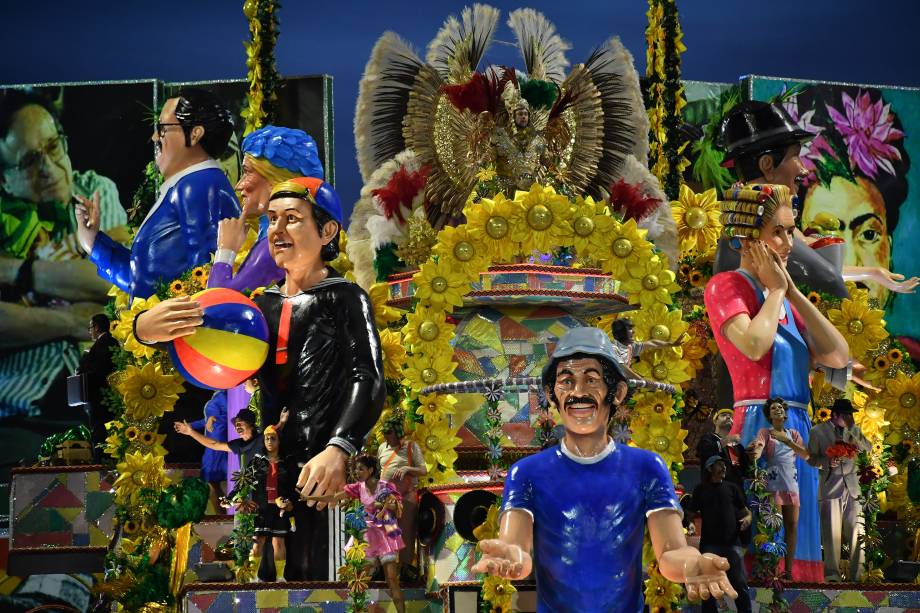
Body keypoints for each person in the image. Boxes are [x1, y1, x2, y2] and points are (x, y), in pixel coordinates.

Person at [472, 327, 736, 612]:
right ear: (551, 393)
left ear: (617, 392)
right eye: (566, 381)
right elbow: (517, 550)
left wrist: (692, 563)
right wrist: (510, 556)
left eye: (591, 379)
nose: (578, 392)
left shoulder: (647, 467)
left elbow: (671, 552)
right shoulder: (526, 474)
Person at [704, 183, 850, 581]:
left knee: (798, 541)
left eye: (790, 231)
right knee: (765, 538)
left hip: (797, 430)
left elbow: (839, 356)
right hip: (759, 427)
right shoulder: (726, 287)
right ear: (747, 239)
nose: (788, 243)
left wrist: (793, 293)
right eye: (777, 232)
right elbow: (754, 345)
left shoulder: (784, 299)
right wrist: (776, 292)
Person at [257, 177, 385, 580]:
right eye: (272, 219)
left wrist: (338, 448)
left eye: (292, 219)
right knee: (271, 579)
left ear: (327, 231)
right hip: (272, 470)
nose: (277, 230)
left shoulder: (345, 298)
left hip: (324, 471)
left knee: (322, 583)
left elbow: (368, 378)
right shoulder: (262, 304)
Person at [0, 90, 126, 419]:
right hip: (21, 406)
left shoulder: (94, 191)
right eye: (29, 161)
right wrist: (73, 321)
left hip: (107, 396)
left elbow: (110, 281)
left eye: (53, 146)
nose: (48, 168)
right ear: (4, 180)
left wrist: (14, 271)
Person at [715, 100, 917, 299]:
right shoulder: (753, 225)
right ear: (767, 165)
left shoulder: (760, 217)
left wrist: (872, 272)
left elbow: (815, 263)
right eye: (795, 154)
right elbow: (824, 274)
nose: (803, 168)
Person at [74, 87, 240, 301]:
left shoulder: (199, 184)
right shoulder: (189, 184)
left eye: (162, 128)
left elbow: (205, 281)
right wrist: (93, 242)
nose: (154, 137)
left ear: (194, 134)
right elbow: (142, 280)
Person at [307, 455, 406, 613]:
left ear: (371, 470)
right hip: (368, 538)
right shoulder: (358, 488)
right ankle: (358, 610)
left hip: (385, 536)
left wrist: (384, 504)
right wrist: (310, 497)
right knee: (359, 580)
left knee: (392, 579)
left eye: (361, 469)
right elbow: (334, 497)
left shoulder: (385, 487)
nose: (357, 472)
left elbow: (397, 507)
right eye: (355, 469)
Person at [807, 398, 871, 582]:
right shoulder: (817, 431)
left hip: (853, 488)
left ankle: (858, 575)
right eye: (846, 415)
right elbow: (811, 459)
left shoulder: (853, 429)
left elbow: (867, 447)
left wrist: (854, 429)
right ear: (834, 415)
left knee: (858, 532)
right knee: (831, 535)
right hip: (830, 487)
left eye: (850, 415)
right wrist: (827, 462)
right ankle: (832, 576)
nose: (849, 417)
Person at [747, 397, 810, 578]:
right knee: (773, 526)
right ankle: (770, 569)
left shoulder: (794, 434)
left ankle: (788, 571)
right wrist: (755, 452)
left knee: (792, 526)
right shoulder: (765, 432)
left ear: (785, 413)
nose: (777, 410)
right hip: (773, 485)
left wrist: (787, 441)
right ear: (769, 415)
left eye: (780, 407)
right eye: (773, 408)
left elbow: (806, 455)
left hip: (791, 484)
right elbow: (759, 448)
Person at [686, 456, 752, 613]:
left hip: (732, 544)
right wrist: (690, 524)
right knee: (709, 585)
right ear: (710, 468)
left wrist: (748, 519)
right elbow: (690, 514)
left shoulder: (732, 488)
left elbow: (746, 512)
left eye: (724, 465)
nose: (724, 468)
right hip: (710, 546)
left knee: (739, 583)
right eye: (720, 465)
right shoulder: (700, 489)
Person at [234, 424, 295, 583]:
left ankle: (280, 577)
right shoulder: (257, 460)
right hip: (260, 508)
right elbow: (243, 481)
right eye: (267, 438)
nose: (269, 441)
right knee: (258, 541)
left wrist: (288, 501)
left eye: (273, 438)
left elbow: (293, 486)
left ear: (279, 441)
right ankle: (253, 577)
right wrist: (231, 497)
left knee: (278, 542)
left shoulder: (287, 461)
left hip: (279, 509)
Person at [377, 415, 427, 570]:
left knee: (406, 533)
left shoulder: (411, 446)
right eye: (384, 432)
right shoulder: (382, 448)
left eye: (389, 432)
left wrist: (407, 469)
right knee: (383, 533)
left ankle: (406, 569)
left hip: (406, 495)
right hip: (385, 497)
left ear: (398, 433)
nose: (385, 436)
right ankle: (383, 569)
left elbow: (423, 470)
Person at [75, 313, 119, 461]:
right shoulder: (111, 342)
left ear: (97, 328)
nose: (89, 332)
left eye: (90, 328)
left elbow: (96, 369)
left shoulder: (102, 344)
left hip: (100, 398)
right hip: (108, 397)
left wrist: (84, 362)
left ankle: (101, 464)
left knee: (100, 431)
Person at [187, 391, 229, 514]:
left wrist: (213, 418)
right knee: (212, 482)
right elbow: (207, 420)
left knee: (210, 480)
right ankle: (223, 514)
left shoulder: (224, 395)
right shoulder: (218, 394)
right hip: (211, 443)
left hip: (217, 443)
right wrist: (190, 426)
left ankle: (222, 515)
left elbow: (231, 415)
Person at [611, 317, 685, 379]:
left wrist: (672, 344)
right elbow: (623, 367)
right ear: (621, 333)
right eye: (629, 329)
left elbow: (653, 343)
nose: (633, 332)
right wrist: (644, 382)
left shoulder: (630, 346)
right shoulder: (613, 348)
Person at [697, 408, 750, 492]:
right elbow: (706, 452)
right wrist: (728, 439)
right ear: (715, 421)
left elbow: (746, 469)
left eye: (731, 416)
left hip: (737, 492)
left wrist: (750, 452)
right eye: (723, 415)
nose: (728, 417)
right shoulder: (708, 439)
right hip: (715, 491)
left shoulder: (738, 446)